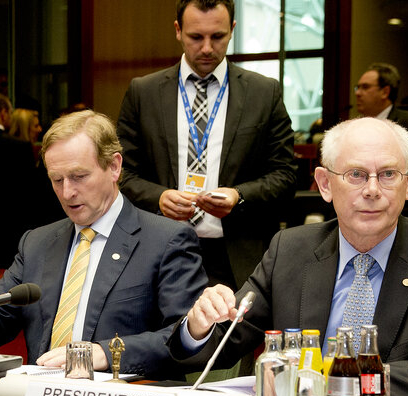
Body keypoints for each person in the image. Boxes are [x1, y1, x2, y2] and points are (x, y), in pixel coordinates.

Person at [168, 117, 408, 396]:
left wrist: (339, 382)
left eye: (388, 174)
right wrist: (198, 327)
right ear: (324, 184)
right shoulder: (290, 249)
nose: (372, 190)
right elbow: (224, 342)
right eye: (356, 175)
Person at [0, 110, 208, 377]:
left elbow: (185, 338)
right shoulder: (36, 243)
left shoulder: (166, 240)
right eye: (57, 179)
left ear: (114, 167)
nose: (67, 192)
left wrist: (106, 353)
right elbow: (1, 314)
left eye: (79, 176)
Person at [117, 0, 298, 290]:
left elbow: (286, 176)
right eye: (195, 37)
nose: (206, 48)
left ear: (232, 30)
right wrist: (158, 198)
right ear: (178, 30)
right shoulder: (144, 92)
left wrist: (239, 196)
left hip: (237, 255)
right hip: (159, 252)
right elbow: (120, 173)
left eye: (218, 37)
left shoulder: (264, 93)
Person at [354, 62, 408, 225]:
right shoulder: (355, 128)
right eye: (357, 87)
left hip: (402, 220)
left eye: (365, 87)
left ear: (385, 91)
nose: (358, 93)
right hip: (363, 216)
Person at [0, 94, 59, 269]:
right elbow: (29, 195)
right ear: (4, 113)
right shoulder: (20, 149)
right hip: (13, 236)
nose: (40, 129)